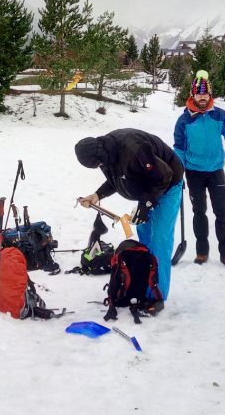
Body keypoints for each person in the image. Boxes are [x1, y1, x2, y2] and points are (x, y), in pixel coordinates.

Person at [75, 129, 184, 302]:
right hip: (148, 187)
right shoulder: (105, 153)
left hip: (168, 184)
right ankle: (144, 281)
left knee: (159, 239)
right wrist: (97, 195)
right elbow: (116, 177)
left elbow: (164, 175)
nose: (98, 167)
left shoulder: (135, 149)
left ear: (99, 154)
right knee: (144, 234)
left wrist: (145, 205)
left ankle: (156, 296)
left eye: (97, 164)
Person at [173, 70, 225, 269]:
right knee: (199, 212)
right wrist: (178, 172)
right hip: (194, 172)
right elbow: (179, 149)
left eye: (205, 93)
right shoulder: (184, 120)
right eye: (198, 93)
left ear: (209, 94)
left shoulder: (220, 115)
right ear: (193, 95)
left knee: (222, 212)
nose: (202, 97)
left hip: (216, 171)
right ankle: (202, 252)